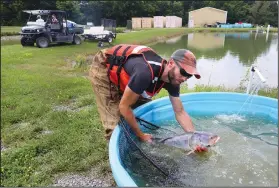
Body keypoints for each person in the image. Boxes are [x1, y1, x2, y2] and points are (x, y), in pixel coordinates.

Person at [89, 44, 201, 142]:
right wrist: (141, 135)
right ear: (171, 63)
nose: (185, 78)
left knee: (141, 114)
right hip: (104, 65)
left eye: (189, 75)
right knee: (114, 125)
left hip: (131, 75)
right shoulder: (145, 73)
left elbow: (180, 112)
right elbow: (124, 107)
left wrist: (195, 139)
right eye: (183, 72)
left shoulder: (174, 80)